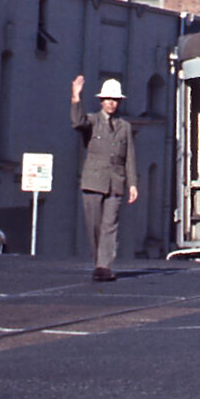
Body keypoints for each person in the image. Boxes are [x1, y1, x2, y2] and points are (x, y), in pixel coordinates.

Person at [71, 75, 137, 281]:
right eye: (108, 99)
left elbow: (129, 157)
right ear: (101, 101)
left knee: (110, 225)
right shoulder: (92, 121)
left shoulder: (124, 127)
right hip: (93, 183)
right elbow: (77, 122)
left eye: (115, 100)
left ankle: (103, 266)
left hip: (115, 183)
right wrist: (75, 97)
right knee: (95, 226)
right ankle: (98, 260)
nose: (111, 103)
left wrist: (133, 183)